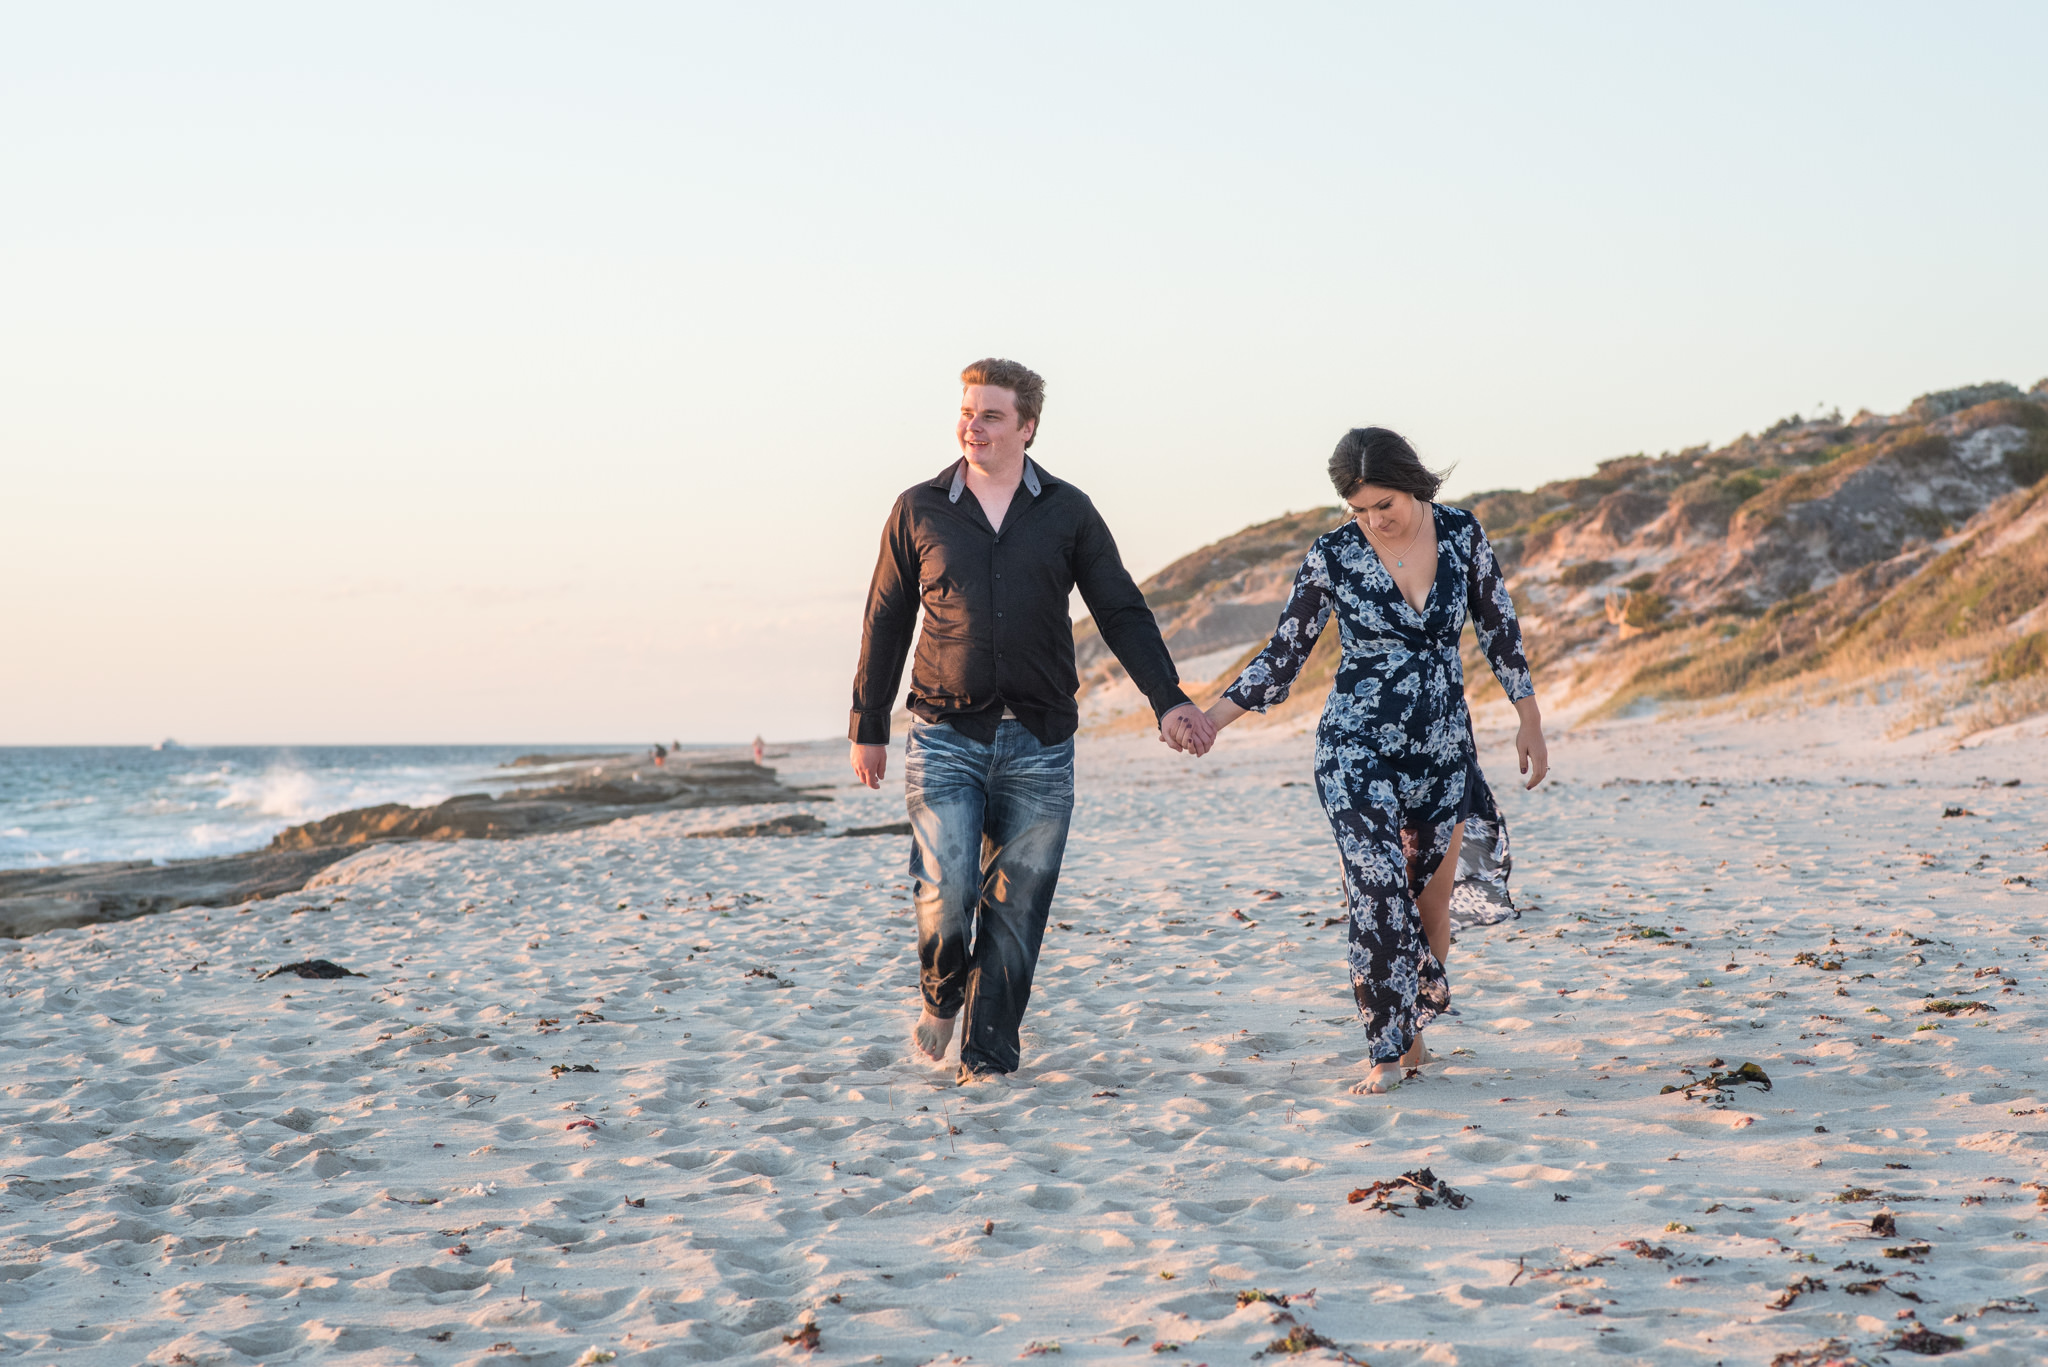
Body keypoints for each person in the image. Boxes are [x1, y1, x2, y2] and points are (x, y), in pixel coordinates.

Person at [850, 358, 1216, 1085]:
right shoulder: (919, 507)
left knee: (1018, 915)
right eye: (966, 411)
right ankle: (941, 993)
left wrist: (1167, 696)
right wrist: (869, 722)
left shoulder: (1068, 511)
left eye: (990, 414)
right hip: (944, 733)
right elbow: (886, 618)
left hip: (1040, 740)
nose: (972, 426)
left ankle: (988, 1059)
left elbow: (1118, 608)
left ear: (1027, 426)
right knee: (944, 890)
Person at [1191, 427, 1548, 1094]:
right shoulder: (1333, 555)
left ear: (1414, 483)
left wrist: (1528, 716)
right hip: (1355, 745)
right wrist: (1212, 719)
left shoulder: (1461, 533)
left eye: (1383, 503)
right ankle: (1385, 1048)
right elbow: (1284, 653)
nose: (1374, 519)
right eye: (1358, 508)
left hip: (1443, 748)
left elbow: (1500, 625)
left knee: (1430, 904)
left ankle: (1413, 1032)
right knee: (1378, 886)